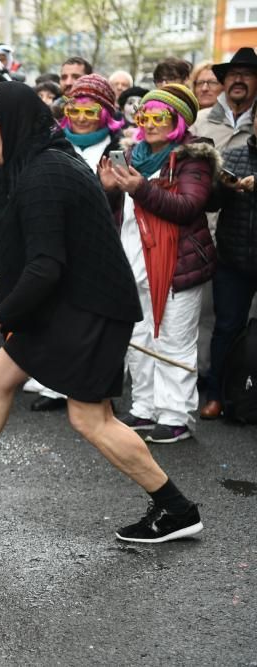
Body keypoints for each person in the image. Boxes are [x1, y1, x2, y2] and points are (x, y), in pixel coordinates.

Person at [0, 82, 204, 544]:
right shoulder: (40, 161)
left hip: (90, 309)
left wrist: (0, 315)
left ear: (15, 122)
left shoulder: (46, 173)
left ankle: (176, 509)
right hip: (72, 301)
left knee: (90, 418)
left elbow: (46, 266)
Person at [100, 84, 216, 443]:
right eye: (144, 116)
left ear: (177, 121)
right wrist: (108, 188)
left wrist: (139, 188)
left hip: (177, 265)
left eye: (158, 117)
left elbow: (187, 207)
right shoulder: (132, 156)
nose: (149, 124)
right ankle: (145, 407)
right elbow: (120, 214)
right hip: (134, 259)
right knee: (138, 336)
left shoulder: (193, 159)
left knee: (173, 340)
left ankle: (175, 415)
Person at [26, 73, 126, 412]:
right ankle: (52, 385)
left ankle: (85, 386)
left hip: (99, 242)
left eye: (91, 111)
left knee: (89, 316)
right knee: (54, 309)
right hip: (57, 236)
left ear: (106, 113)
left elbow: (124, 202)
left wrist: (109, 191)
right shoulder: (52, 141)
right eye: (76, 110)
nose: (82, 119)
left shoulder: (117, 148)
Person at [202, 104, 257, 419]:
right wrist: (221, 187)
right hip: (232, 259)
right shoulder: (233, 155)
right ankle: (216, 395)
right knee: (225, 329)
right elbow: (210, 203)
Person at [191, 48, 257, 152]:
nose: (238, 80)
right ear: (224, 81)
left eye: (246, 74)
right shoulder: (199, 120)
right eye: (232, 74)